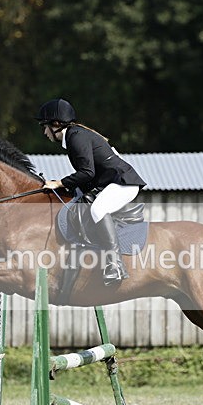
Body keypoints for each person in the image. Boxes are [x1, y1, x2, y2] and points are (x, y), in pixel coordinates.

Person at [37, 98, 146, 285]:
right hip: (109, 182)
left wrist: (58, 183)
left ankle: (115, 265)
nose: (44, 131)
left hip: (123, 183)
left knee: (97, 210)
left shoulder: (75, 137)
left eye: (45, 126)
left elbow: (87, 172)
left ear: (56, 125)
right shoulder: (74, 135)